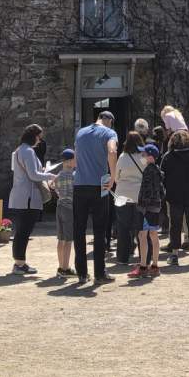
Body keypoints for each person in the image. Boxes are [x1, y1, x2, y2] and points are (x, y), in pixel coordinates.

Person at [73, 110, 118, 285]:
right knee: (100, 231)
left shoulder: (81, 132)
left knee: (79, 230)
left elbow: (76, 158)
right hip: (100, 186)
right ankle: (99, 273)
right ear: (110, 121)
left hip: (80, 185)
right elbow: (112, 151)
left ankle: (82, 273)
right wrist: (113, 176)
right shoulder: (109, 133)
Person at [8, 123, 56, 276]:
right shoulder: (28, 151)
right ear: (34, 136)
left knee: (21, 231)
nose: (40, 141)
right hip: (27, 197)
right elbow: (33, 175)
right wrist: (50, 175)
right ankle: (19, 264)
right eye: (39, 137)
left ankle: (19, 262)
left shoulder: (19, 150)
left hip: (20, 195)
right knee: (24, 232)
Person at [161, 129, 189, 266]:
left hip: (174, 196)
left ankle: (174, 254)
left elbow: (162, 177)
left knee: (175, 225)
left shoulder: (168, 157)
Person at [128, 142, 164, 279]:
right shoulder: (157, 171)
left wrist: (141, 204)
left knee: (142, 236)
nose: (142, 156)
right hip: (155, 207)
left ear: (150, 157)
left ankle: (143, 267)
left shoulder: (148, 171)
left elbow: (146, 191)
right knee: (154, 235)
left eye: (144, 154)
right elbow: (161, 191)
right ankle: (154, 266)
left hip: (146, 208)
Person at [111, 130, 146, 265]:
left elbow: (116, 177)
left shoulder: (123, 157)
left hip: (123, 194)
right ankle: (143, 256)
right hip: (139, 194)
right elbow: (146, 173)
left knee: (123, 227)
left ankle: (122, 257)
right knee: (140, 227)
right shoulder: (143, 156)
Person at [54, 148, 76, 277]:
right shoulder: (75, 175)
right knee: (68, 239)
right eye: (74, 160)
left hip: (60, 206)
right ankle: (66, 268)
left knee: (61, 238)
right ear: (68, 161)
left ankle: (60, 266)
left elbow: (53, 186)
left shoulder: (59, 175)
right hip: (70, 208)